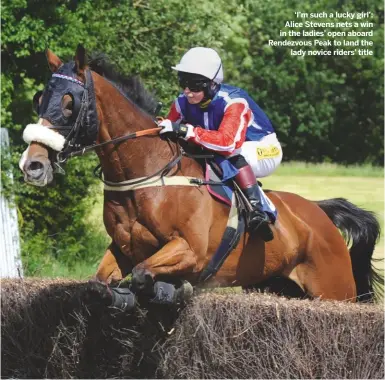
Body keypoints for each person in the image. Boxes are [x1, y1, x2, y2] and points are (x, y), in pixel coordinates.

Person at [159, 47, 283, 241]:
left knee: (228, 155)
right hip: (222, 147)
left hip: (263, 149)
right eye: (183, 83)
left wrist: (186, 130)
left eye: (194, 85)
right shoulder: (181, 102)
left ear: (212, 85)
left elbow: (228, 143)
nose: (187, 91)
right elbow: (168, 130)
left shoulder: (234, 101)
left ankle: (257, 210)